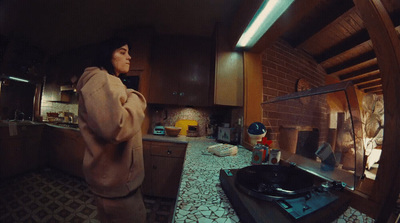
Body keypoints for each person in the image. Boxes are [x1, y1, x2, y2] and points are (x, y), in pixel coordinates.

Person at [76, 37, 147, 223]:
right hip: (118, 188)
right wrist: (136, 97)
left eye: (128, 52)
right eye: (122, 52)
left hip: (111, 183)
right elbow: (118, 128)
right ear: (107, 55)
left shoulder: (106, 80)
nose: (129, 57)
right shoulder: (102, 79)